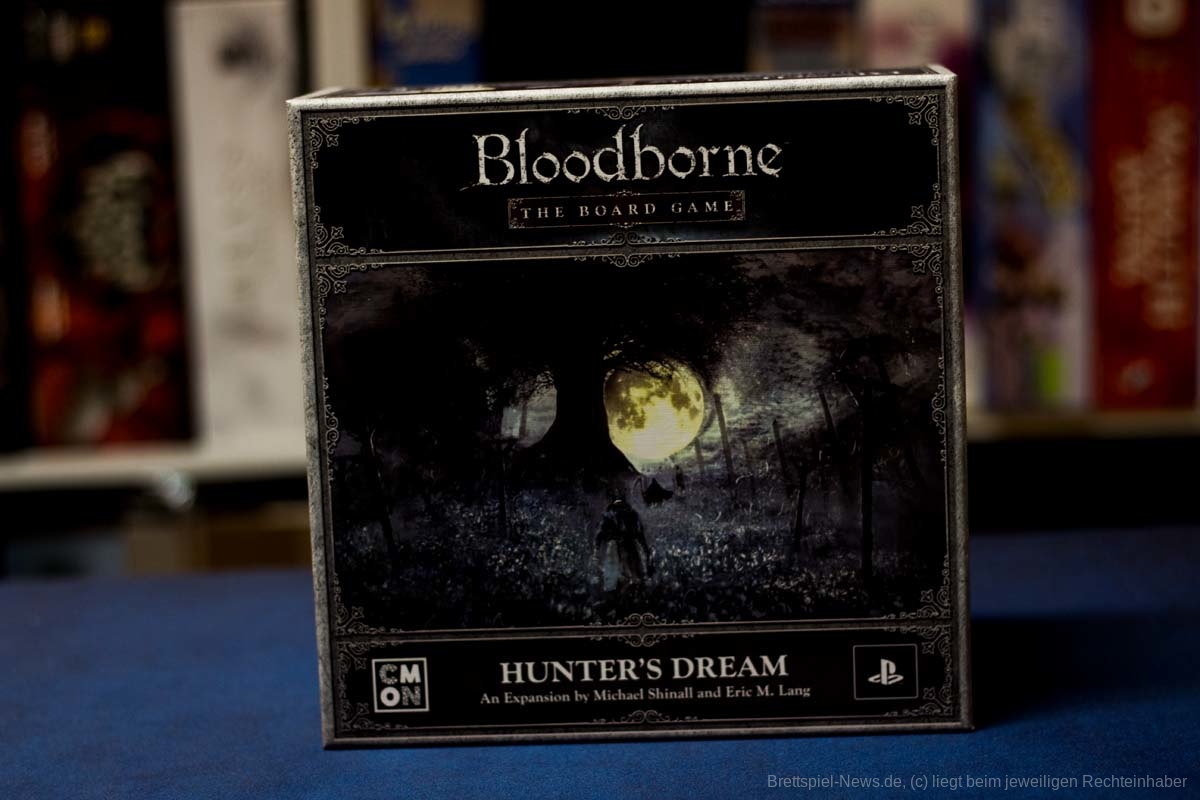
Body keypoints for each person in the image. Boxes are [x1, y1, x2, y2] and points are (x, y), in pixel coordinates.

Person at [594, 498, 654, 594]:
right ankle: (632, 586)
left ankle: (626, 588)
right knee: (631, 571)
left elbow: (600, 534)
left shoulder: (609, 515)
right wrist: (645, 548)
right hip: (626, 544)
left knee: (622, 573)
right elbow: (639, 533)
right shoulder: (631, 514)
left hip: (620, 545)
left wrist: (597, 548)